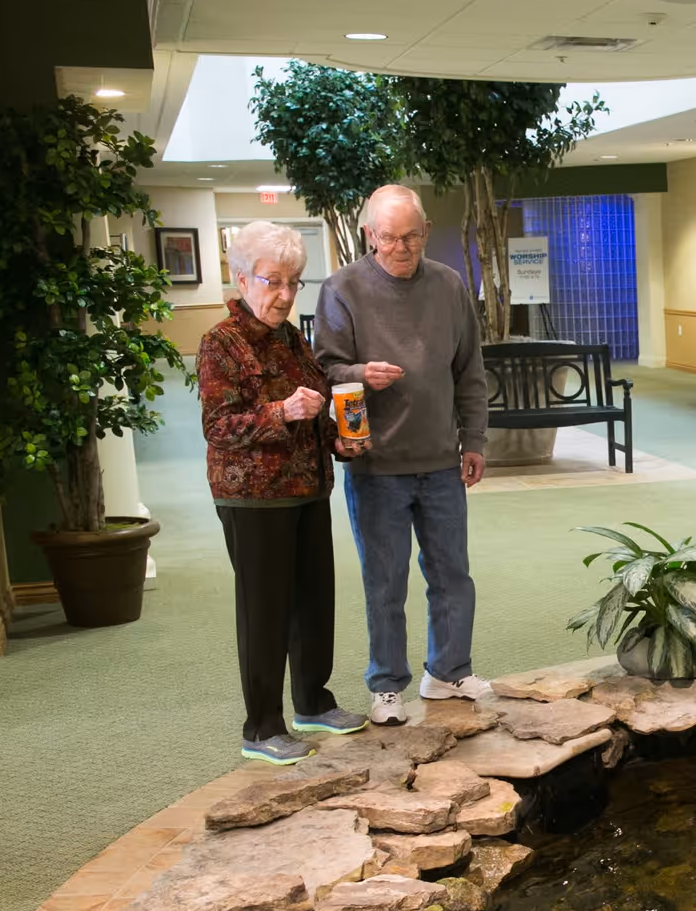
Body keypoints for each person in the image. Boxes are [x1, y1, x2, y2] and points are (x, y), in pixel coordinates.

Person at [313, 184, 492, 727]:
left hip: (440, 458)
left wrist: (475, 440)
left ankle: (448, 671)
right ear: (370, 235)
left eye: (412, 236)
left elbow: (470, 371)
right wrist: (360, 375)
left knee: (452, 575)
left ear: (425, 231)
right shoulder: (341, 288)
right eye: (390, 237)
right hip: (376, 465)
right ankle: (387, 685)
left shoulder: (448, 284)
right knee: (385, 582)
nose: (402, 248)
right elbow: (324, 369)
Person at [198, 220, 369, 763]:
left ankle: (313, 703)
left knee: (314, 603)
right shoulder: (219, 344)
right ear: (242, 278)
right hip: (252, 498)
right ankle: (261, 726)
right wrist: (282, 411)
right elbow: (218, 427)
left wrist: (340, 441)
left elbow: (316, 405)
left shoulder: (293, 338)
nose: (285, 294)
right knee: (265, 610)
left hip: (307, 488)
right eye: (273, 281)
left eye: (294, 282)